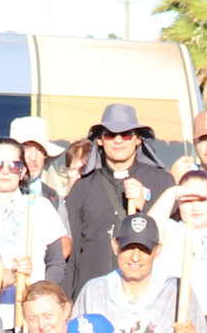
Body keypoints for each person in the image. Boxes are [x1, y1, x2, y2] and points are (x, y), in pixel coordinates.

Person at [62, 104, 174, 292]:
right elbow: (72, 253)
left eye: (126, 134)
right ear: (99, 140)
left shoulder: (163, 182)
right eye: (110, 135)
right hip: (93, 291)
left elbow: (171, 239)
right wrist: (66, 298)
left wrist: (145, 205)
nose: (119, 140)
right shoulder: (82, 188)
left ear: (138, 139)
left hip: (145, 294)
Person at [0, 133, 71, 326]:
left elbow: (56, 263)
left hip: (31, 320)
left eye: (13, 165)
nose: (5, 171)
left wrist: (42, 298)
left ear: (22, 171)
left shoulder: (40, 207)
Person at [74, 212, 180, 333]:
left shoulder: (176, 291)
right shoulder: (94, 291)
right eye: (128, 248)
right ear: (115, 246)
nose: (135, 257)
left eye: (144, 249)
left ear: (157, 250)